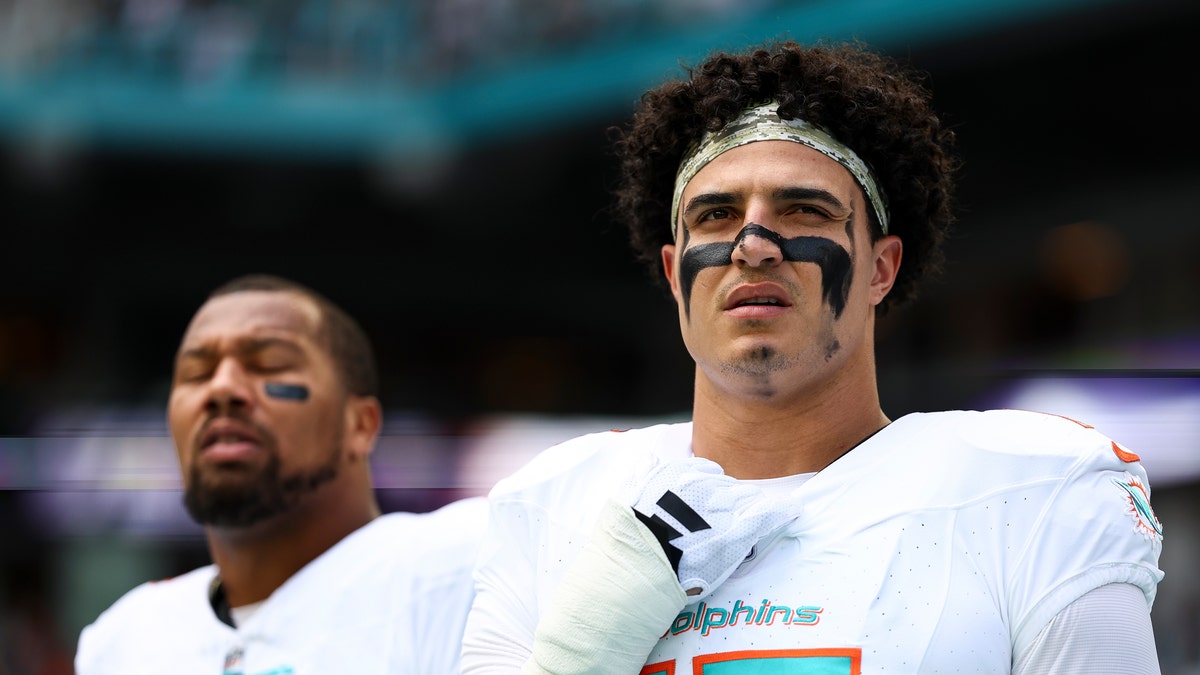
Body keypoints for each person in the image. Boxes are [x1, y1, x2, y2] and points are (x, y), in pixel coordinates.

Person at [461, 40, 1165, 674]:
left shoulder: (1029, 493)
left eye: (805, 210)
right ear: (676, 273)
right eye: (716, 214)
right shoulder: (558, 504)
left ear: (881, 269)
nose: (754, 243)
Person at [75, 274, 487, 675]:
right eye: (196, 374)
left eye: (269, 365)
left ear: (360, 425)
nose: (222, 388)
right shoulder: (124, 640)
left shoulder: (464, 568)